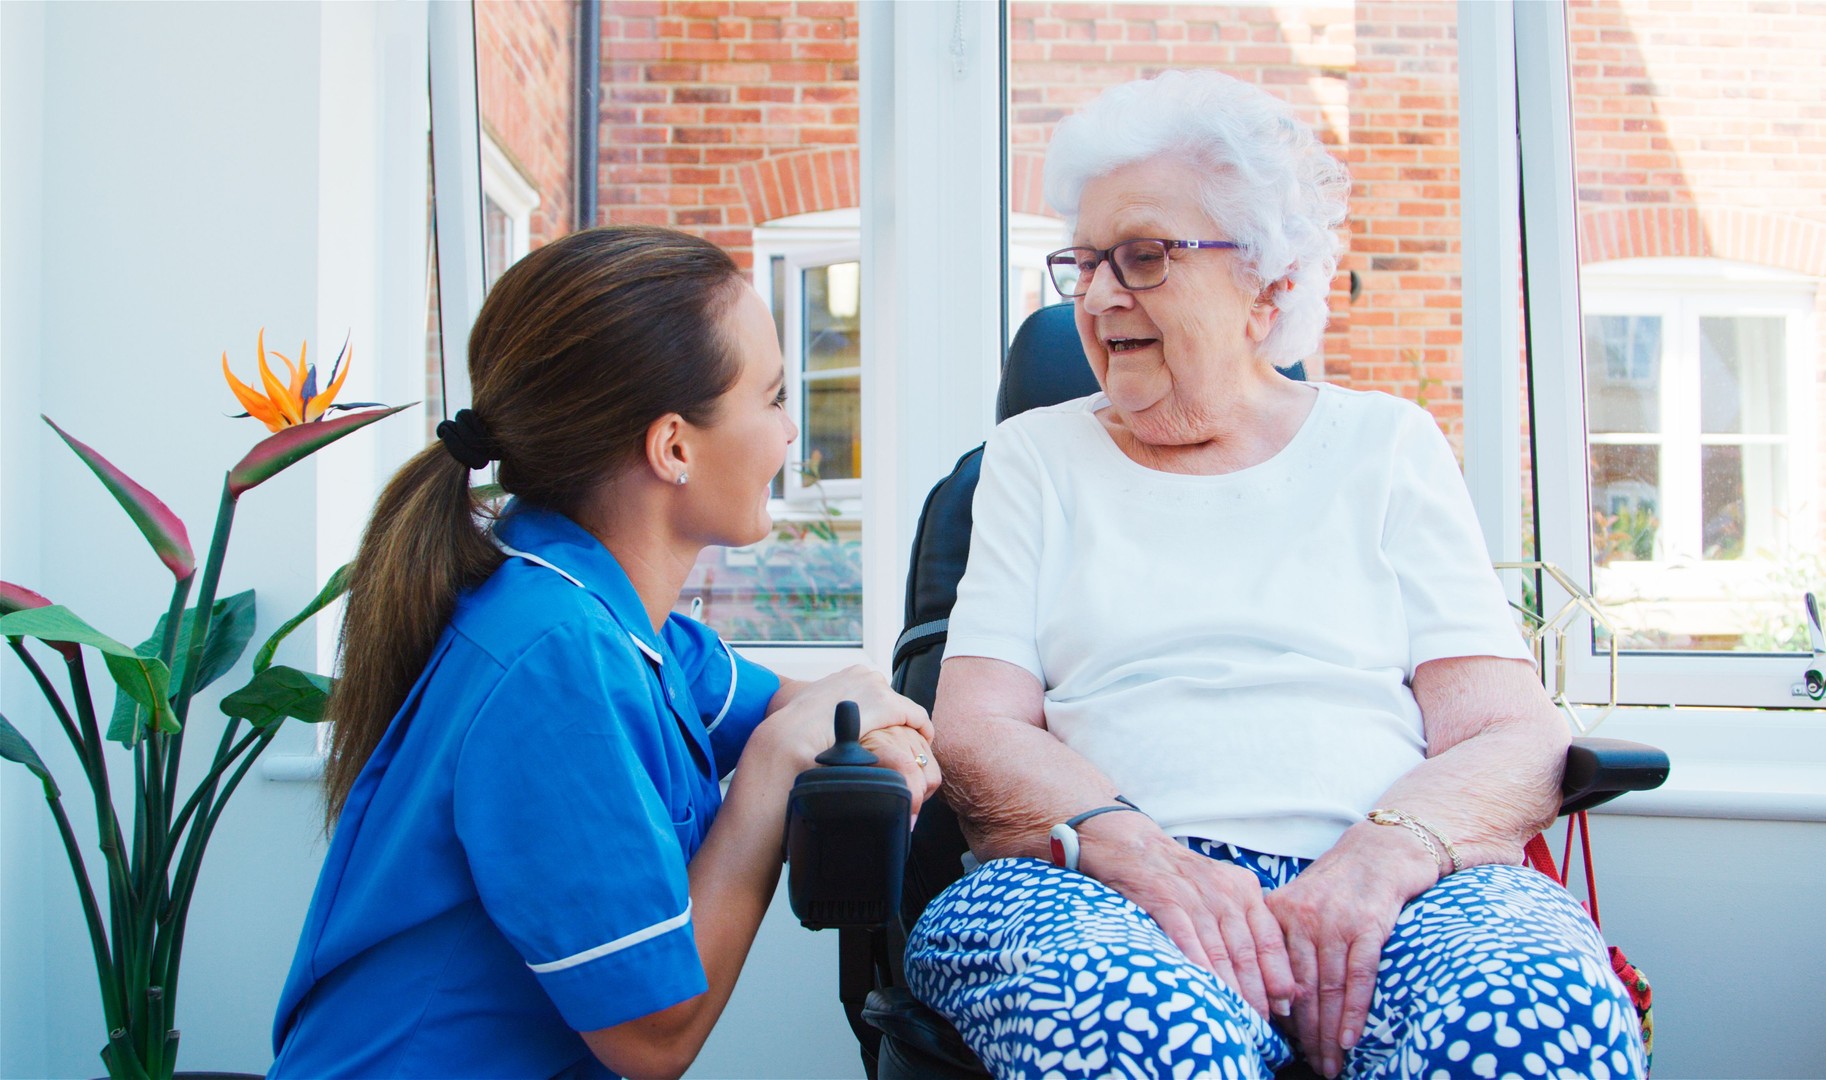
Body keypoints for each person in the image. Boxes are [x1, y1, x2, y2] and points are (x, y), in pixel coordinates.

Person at [907, 71, 1647, 1080]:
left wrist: (1384, 858)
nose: (1099, 295)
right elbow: (978, 727)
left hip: (1396, 879)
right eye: (1082, 264)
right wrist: (1146, 858)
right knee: (1142, 1037)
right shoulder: (1034, 462)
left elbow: (1513, 733)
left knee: (1531, 1013)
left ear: (1271, 286)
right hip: (1099, 889)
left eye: (1144, 257)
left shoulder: (1386, 446)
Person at [269, 226, 938, 1079]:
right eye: (771, 398)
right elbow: (652, 1037)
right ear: (674, 447)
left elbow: (810, 699)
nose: (790, 432)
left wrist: (869, 730)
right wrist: (771, 773)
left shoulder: (599, 601)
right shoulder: (554, 656)